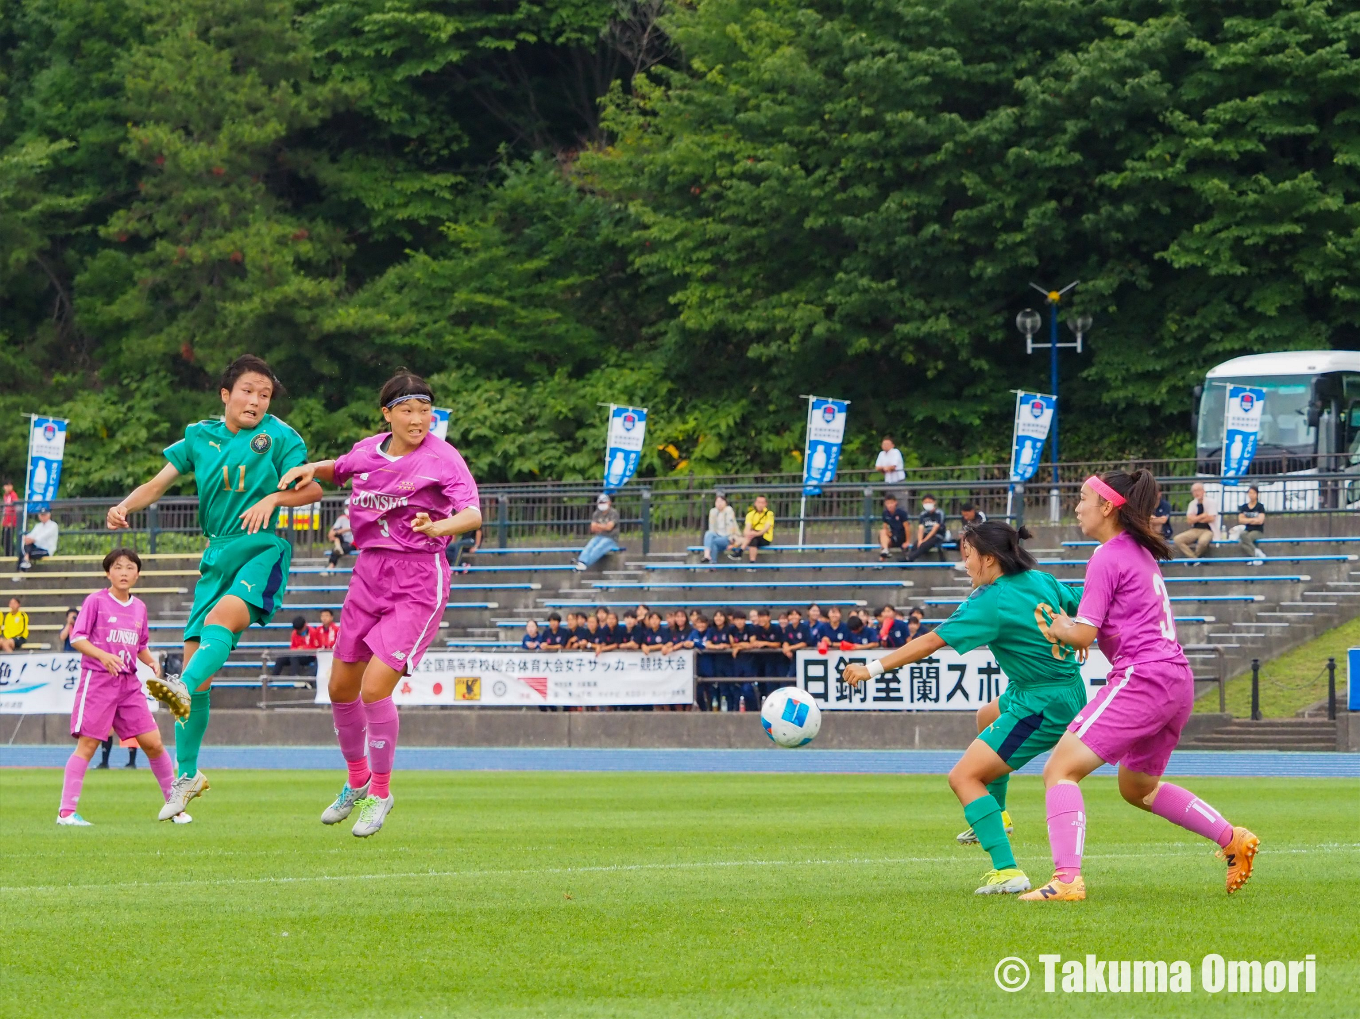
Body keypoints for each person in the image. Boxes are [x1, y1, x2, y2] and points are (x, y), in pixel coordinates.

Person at [1019, 470, 1258, 902]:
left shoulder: (1106, 554)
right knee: (1137, 788)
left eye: (1083, 498)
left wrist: (1057, 626)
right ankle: (1231, 838)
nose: (1077, 507)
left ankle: (1067, 879)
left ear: (1108, 506)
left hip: (1143, 676)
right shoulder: (1138, 552)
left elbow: (1084, 635)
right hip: (1174, 679)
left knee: (1059, 770)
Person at [106, 355, 321, 822]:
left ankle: (178, 687)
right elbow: (158, 482)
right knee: (197, 674)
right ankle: (187, 777)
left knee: (219, 625)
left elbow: (312, 489)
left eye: (264, 395)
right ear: (226, 395)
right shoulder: (198, 436)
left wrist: (275, 497)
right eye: (248, 391)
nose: (257, 401)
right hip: (214, 554)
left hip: (260, 547)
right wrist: (125, 504)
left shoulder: (281, 437)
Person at [279, 368, 481, 838]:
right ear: (387, 413)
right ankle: (356, 780)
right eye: (408, 410)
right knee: (340, 687)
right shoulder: (368, 449)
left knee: (374, 688)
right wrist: (314, 468)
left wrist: (441, 528)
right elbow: (340, 468)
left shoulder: (444, 458)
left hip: (417, 578)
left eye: (425, 410)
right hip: (368, 572)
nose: (418, 419)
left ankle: (381, 792)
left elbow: (471, 513)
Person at [843, 521, 1089, 896]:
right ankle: (999, 814)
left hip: (1043, 702)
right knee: (987, 715)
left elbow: (930, 641)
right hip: (1051, 689)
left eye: (968, 556)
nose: (965, 564)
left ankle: (1007, 871)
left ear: (989, 559)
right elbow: (1085, 601)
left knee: (963, 778)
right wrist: (1079, 630)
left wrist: (871, 668)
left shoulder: (992, 599)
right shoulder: (1039, 579)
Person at [57, 548, 185, 825]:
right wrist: (103, 655)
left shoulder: (139, 607)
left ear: (137, 574)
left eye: (129, 567)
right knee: (88, 745)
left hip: (128, 684)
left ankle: (176, 807)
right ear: (108, 573)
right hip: (98, 681)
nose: (124, 572)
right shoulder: (96, 601)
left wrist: (150, 662)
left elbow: (140, 645)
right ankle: (66, 813)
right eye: (117, 567)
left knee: (153, 743)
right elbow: (78, 638)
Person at [575, 493, 621, 571]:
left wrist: (599, 526)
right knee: (590, 545)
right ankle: (581, 561)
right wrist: (604, 527)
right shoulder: (596, 514)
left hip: (611, 538)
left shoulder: (613, 513)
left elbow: (609, 527)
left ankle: (585, 564)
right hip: (599, 536)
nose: (602, 504)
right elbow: (593, 528)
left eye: (604, 502)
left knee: (599, 547)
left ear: (609, 502)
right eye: (600, 503)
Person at [1172, 482, 1218, 559]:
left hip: (1208, 529)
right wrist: (1202, 516)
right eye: (1194, 491)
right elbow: (1189, 521)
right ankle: (1194, 559)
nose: (1196, 493)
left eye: (1198, 490)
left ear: (1203, 491)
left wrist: (1195, 518)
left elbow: (1211, 518)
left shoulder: (1211, 502)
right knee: (1177, 539)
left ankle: (1193, 559)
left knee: (1203, 542)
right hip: (1195, 529)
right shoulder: (1192, 504)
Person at [729, 495, 774, 562]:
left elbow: (766, 528)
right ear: (755, 503)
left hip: (765, 537)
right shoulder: (750, 514)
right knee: (753, 540)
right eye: (759, 502)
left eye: (762, 503)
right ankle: (752, 562)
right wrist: (749, 534)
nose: (760, 505)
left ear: (765, 504)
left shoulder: (769, 514)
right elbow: (747, 528)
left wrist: (755, 534)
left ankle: (740, 551)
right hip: (752, 537)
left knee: (752, 537)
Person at [701, 493, 740, 564]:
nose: (719, 504)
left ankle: (712, 564)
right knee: (708, 534)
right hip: (717, 535)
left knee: (713, 542)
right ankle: (707, 555)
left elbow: (731, 525)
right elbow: (712, 527)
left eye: (721, 501)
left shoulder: (728, 510)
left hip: (728, 537)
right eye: (717, 502)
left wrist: (732, 541)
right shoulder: (713, 511)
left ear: (725, 502)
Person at [18, 506, 58, 570]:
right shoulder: (38, 526)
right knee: (25, 550)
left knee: (25, 553)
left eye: (45, 515)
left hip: (46, 550)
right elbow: (32, 534)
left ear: (49, 515)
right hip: (36, 548)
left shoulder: (53, 525)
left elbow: (44, 536)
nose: (43, 517)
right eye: (41, 515)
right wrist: (27, 538)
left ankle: (22, 571)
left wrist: (33, 540)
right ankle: (23, 566)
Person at [907, 495, 945, 562]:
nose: (927, 504)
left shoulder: (939, 513)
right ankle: (908, 559)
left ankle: (909, 559)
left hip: (937, 535)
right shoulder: (923, 514)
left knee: (924, 545)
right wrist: (920, 540)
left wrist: (924, 541)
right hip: (926, 533)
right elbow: (921, 528)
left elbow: (936, 528)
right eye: (925, 502)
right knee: (915, 545)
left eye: (929, 502)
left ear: (934, 502)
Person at [1237, 486, 1267, 561]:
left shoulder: (1260, 506)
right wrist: (1253, 520)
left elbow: (1260, 521)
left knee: (1246, 541)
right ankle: (1257, 555)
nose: (1251, 495)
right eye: (1250, 493)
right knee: (1242, 535)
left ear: (1257, 494)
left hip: (1257, 530)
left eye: (1253, 493)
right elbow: (1240, 520)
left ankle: (1254, 557)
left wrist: (1247, 520)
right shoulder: (1244, 507)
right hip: (1247, 529)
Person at [879, 494, 911, 560]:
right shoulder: (885, 513)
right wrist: (888, 532)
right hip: (892, 536)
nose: (890, 505)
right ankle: (885, 551)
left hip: (900, 536)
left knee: (884, 543)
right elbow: (884, 526)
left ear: (895, 503)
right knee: (882, 533)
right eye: (888, 503)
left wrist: (907, 541)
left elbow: (907, 527)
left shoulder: (902, 513)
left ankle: (881, 561)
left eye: (891, 503)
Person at [326, 499, 355, 569]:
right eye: (347, 506)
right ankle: (337, 545)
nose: (348, 508)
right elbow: (331, 532)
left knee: (337, 549)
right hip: (343, 541)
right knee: (337, 537)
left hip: (353, 542)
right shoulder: (342, 518)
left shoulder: (359, 518)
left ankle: (331, 565)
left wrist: (341, 531)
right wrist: (336, 533)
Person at [1, 480, 16, 558]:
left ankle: (11, 555)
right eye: (6, 486)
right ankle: (7, 555)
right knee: (4, 540)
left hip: (10, 522)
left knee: (8, 540)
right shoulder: (5, 496)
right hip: (5, 521)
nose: (8, 487)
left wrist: (12, 521)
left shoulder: (13, 495)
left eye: (9, 485)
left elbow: (15, 509)